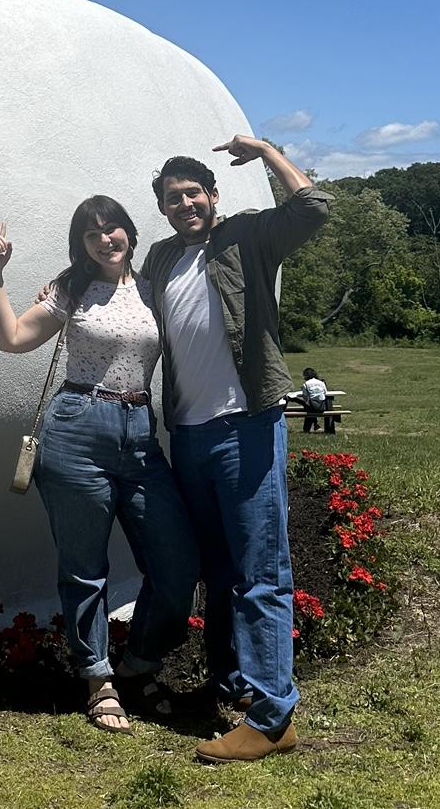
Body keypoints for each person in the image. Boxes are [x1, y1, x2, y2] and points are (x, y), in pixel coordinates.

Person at [140, 136, 331, 764]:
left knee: (260, 570)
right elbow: (124, 306)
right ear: (163, 210)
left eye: (194, 193)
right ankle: (232, 689)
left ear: (213, 196)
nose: (186, 203)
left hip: (246, 423)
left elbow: (313, 209)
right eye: (174, 198)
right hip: (189, 432)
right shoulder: (164, 258)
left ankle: (274, 717)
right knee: (217, 572)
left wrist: (267, 151)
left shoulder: (247, 237)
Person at [0, 198, 199, 733]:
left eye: (114, 228)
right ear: (80, 244)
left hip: (141, 436)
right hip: (77, 429)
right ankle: (97, 679)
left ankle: (137, 663)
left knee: (177, 568)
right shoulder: (70, 288)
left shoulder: (155, 285)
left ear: (130, 231)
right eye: (92, 234)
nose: (106, 239)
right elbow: (13, 341)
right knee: (85, 569)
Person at [300, 366, 329, 434]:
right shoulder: (321, 383)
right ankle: (315, 424)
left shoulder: (306, 384)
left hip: (312, 407)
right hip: (322, 406)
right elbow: (326, 393)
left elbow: (305, 397)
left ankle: (307, 429)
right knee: (310, 407)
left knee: (308, 407)